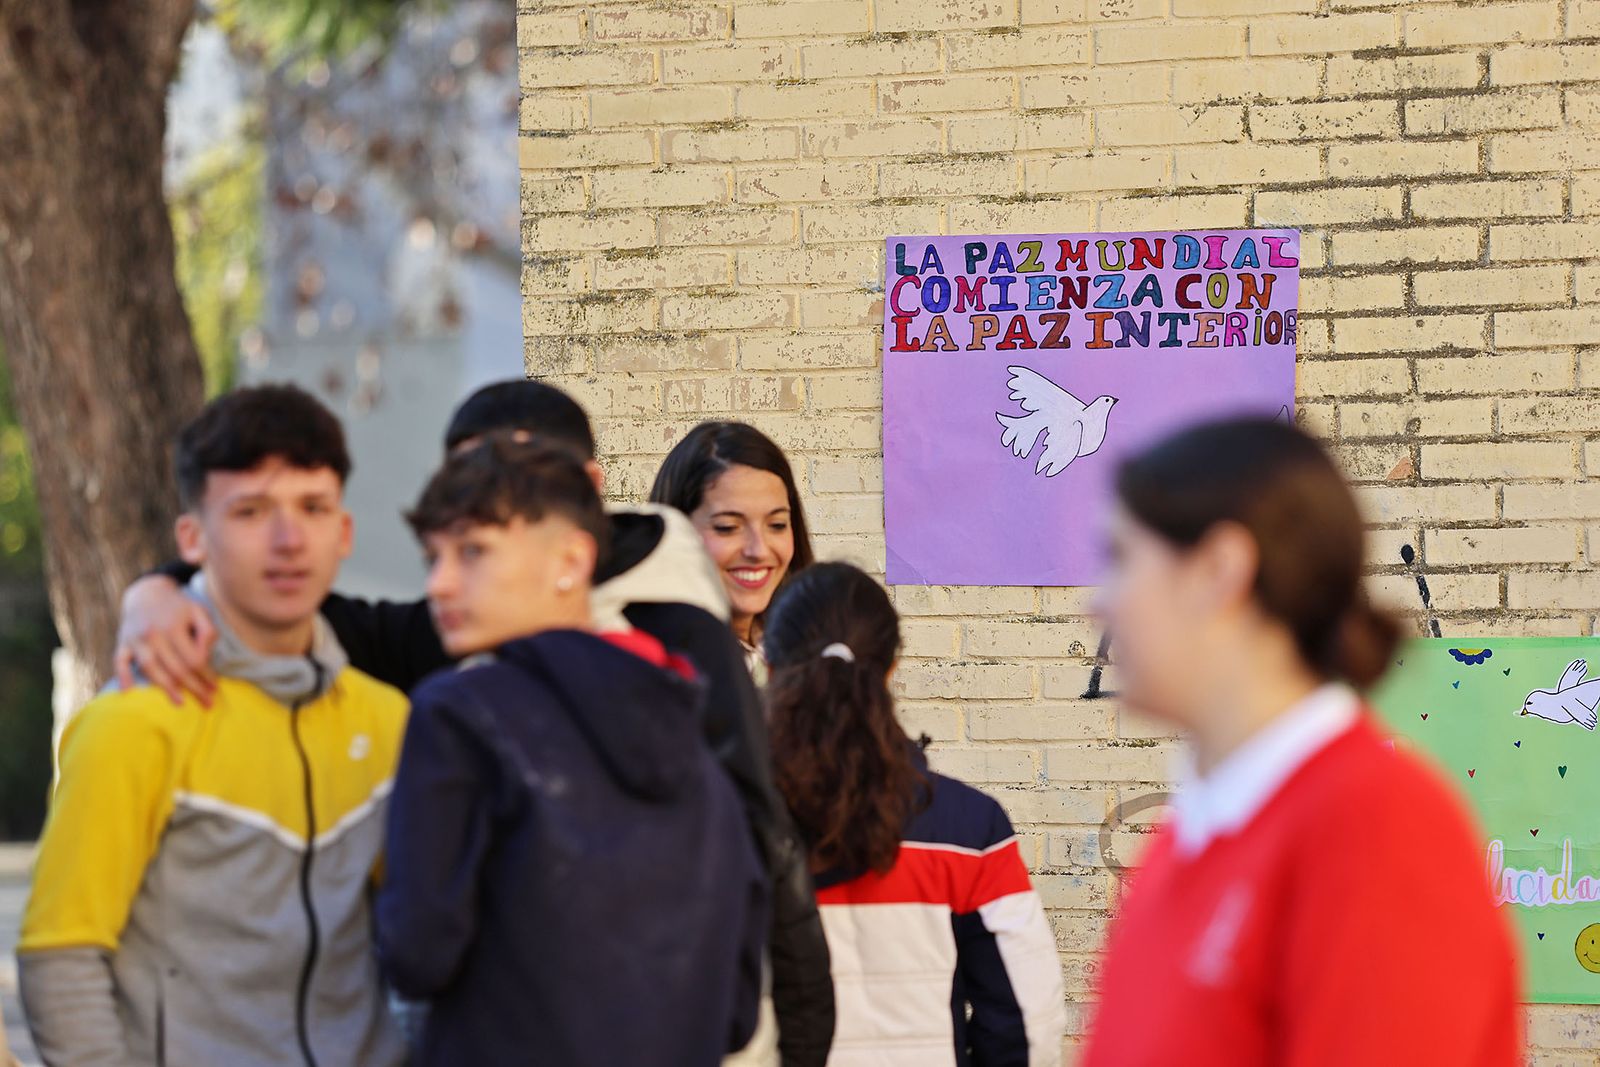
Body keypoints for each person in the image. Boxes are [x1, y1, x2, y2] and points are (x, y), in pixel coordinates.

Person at [111, 380, 835, 1066]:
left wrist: (800, 1040)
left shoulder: (681, 643)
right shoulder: (459, 633)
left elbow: (758, 844)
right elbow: (296, 606)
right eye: (448, 529)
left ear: (583, 499)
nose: (450, 569)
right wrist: (162, 588)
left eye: (489, 521)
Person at [1083, 418, 1521, 1065]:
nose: (1100, 603)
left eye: (1121, 558)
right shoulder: (1190, 834)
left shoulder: (1374, 825)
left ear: (1219, 570)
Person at [19, 385, 408, 1067]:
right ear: (192, 538)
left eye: (313, 508)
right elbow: (61, 956)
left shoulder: (388, 720)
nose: (289, 539)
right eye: (252, 510)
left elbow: (423, 946)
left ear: (343, 531)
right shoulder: (131, 723)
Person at [377, 435, 767, 1065]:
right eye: (433, 558)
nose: (441, 584)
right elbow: (739, 1004)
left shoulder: (459, 715)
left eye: (472, 551)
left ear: (571, 561)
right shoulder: (683, 707)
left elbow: (417, 952)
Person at [763, 562, 1067, 1065]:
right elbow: (1026, 1021)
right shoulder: (971, 829)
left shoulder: (724, 823)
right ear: (891, 668)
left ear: (770, 668)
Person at [650, 420, 815, 682]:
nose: (758, 550)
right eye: (727, 528)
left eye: (777, 525)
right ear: (676, 528)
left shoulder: (805, 649)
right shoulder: (653, 667)